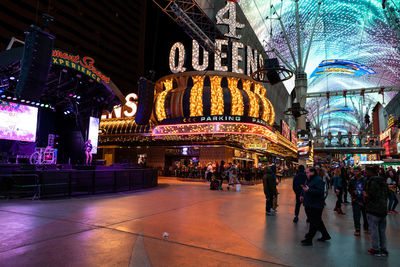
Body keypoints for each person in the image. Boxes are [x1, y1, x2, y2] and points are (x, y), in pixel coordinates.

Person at [300, 167, 330, 246]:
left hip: (316, 205)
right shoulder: (309, 180)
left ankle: (309, 239)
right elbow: (305, 187)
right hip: (309, 203)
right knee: (317, 221)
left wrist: (308, 190)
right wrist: (302, 195)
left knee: (313, 222)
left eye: (307, 172)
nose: (306, 174)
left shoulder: (318, 180)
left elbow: (320, 192)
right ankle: (325, 235)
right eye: (306, 172)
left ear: (313, 172)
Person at [364, 166, 389, 256]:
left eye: (367, 172)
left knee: (374, 230)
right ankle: (384, 249)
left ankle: (376, 249)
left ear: (371, 172)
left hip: (373, 209)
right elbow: (388, 194)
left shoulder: (371, 181)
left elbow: (371, 195)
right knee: (382, 230)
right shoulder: (383, 181)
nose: (365, 174)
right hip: (383, 209)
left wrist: (365, 195)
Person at [348, 166, 368, 236]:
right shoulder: (352, 180)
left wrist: (365, 192)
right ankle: (357, 229)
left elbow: (368, 188)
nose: (356, 173)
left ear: (360, 171)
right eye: (354, 171)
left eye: (357, 171)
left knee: (365, 215)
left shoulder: (365, 179)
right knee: (356, 216)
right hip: (356, 200)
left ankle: (366, 228)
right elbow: (349, 189)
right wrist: (353, 192)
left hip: (364, 200)